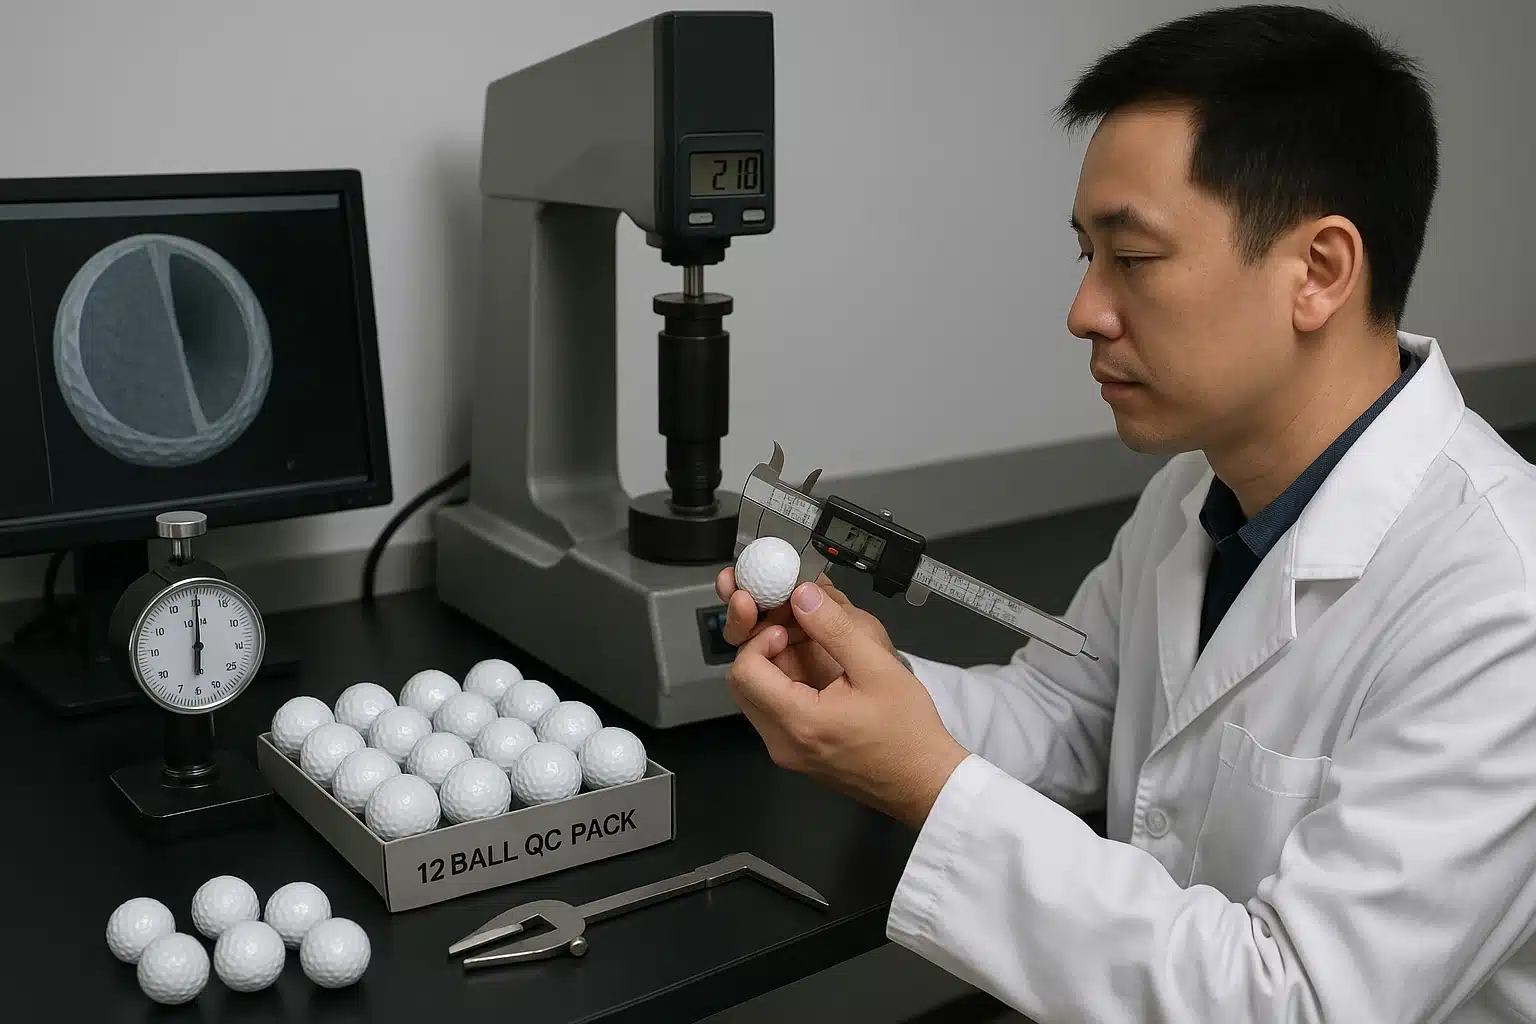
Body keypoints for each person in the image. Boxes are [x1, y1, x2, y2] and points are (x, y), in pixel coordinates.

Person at [717, 5, 1536, 1022]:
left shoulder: (1502, 600)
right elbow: (1067, 712)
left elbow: (1297, 1003)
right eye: (1084, 256)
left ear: (1319, 273)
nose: (1084, 311)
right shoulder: (1196, 492)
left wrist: (928, 781)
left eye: (1133, 258)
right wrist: (859, 674)